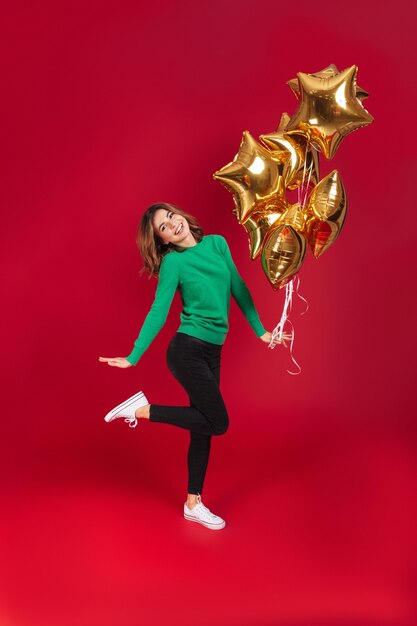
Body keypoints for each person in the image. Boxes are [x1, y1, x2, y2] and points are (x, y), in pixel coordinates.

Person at [99, 202, 289, 530]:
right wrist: (134, 355)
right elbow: (159, 310)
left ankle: (193, 504)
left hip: (212, 351)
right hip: (187, 349)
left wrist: (261, 331)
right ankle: (142, 410)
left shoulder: (217, 244)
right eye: (163, 227)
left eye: (171, 217)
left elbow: (238, 287)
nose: (172, 225)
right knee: (218, 422)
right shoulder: (174, 262)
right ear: (163, 241)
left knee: (203, 428)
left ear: (182, 217)